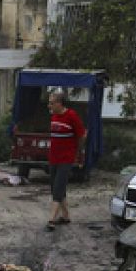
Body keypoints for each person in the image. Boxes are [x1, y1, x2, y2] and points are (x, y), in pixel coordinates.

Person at [46, 90, 86, 229]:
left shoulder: (71, 116)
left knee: (58, 188)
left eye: (51, 103)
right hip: (53, 158)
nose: (49, 106)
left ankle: (51, 219)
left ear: (59, 103)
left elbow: (81, 136)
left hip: (66, 159)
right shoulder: (54, 117)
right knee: (56, 188)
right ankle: (66, 216)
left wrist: (80, 155)